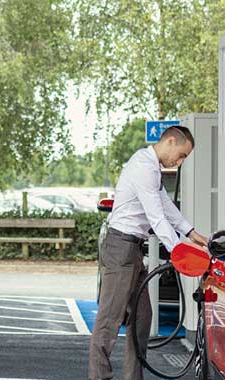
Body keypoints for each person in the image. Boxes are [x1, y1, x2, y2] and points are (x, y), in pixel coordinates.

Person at [88, 125, 207, 380]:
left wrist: (192, 233)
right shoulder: (144, 166)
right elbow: (156, 217)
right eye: (182, 155)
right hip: (121, 248)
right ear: (171, 141)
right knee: (109, 321)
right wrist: (180, 251)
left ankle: (134, 377)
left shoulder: (153, 169)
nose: (181, 162)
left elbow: (165, 206)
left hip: (132, 249)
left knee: (143, 317)